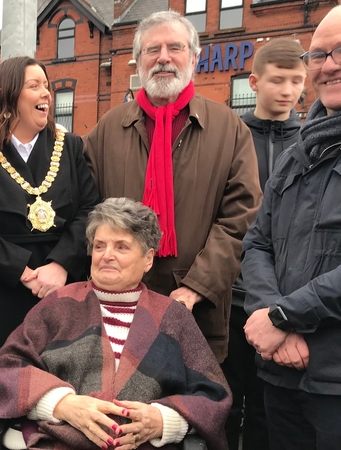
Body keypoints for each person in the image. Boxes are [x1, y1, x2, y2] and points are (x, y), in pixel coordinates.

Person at [242, 4, 341, 449]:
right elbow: (258, 243)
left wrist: (284, 316)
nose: (329, 65)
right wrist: (268, 311)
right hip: (283, 373)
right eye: (317, 56)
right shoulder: (304, 146)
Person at [0, 198, 231, 450]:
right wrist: (62, 404)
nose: (107, 256)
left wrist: (164, 421)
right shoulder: (59, 304)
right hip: (59, 442)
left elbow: (213, 395)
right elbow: (3, 368)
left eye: (121, 247)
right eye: (100, 246)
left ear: (148, 259)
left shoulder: (173, 317)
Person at [83, 10, 262, 363]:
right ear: (139, 61)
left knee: (189, 412)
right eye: (153, 50)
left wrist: (196, 287)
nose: (164, 57)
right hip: (118, 303)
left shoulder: (229, 128)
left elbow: (242, 217)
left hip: (196, 309)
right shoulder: (108, 128)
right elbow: (84, 211)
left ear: (194, 58)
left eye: (175, 48)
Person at [0, 56, 100, 424]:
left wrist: (60, 265)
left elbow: (90, 211)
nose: (46, 92)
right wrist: (24, 271)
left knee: (58, 414)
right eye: (35, 85)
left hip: (60, 297)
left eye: (47, 85)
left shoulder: (71, 147)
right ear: (9, 94)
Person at [222, 38, 305, 450]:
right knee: (226, 397)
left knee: (267, 406)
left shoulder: (311, 139)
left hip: (283, 298)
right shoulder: (231, 138)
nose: (288, 90)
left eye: (296, 81)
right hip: (232, 295)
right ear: (254, 82)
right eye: (278, 80)